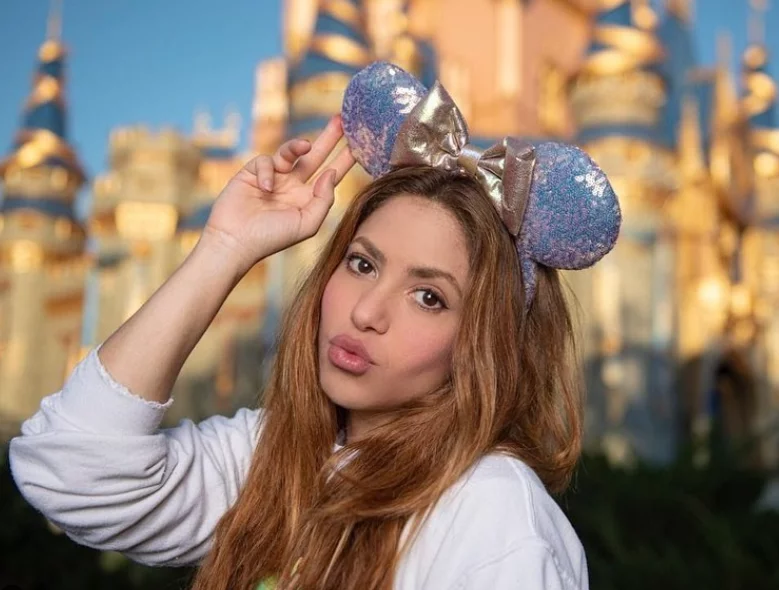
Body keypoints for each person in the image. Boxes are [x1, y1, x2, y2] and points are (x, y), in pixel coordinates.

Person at [9, 62, 620, 590]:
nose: (366, 312)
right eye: (363, 264)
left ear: (484, 343)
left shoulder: (492, 511)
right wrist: (224, 249)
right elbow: (68, 469)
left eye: (428, 297)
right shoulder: (275, 457)